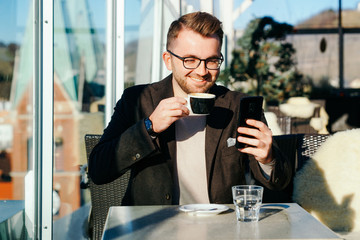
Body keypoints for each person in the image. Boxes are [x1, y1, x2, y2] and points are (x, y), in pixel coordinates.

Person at [88, 12, 292, 205]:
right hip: (154, 226)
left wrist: (268, 158)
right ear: (168, 60)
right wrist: (149, 127)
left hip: (219, 227)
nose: (202, 71)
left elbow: (280, 182)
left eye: (212, 60)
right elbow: (98, 171)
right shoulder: (137, 100)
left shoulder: (237, 105)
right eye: (190, 60)